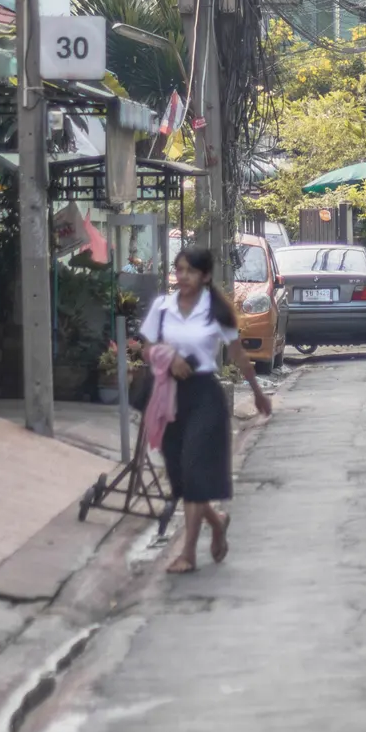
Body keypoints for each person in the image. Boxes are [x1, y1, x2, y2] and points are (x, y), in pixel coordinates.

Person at [140, 242, 272, 574]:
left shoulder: (217, 311)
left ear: (205, 275)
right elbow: (145, 348)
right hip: (170, 396)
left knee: (195, 467)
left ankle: (188, 553)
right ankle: (217, 521)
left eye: (190, 271)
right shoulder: (163, 307)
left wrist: (257, 391)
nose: (183, 276)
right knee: (181, 477)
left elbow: (238, 353)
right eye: (179, 269)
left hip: (205, 396)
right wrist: (167, 357)